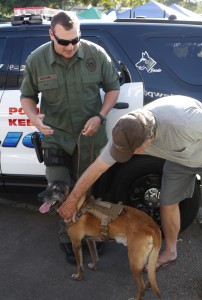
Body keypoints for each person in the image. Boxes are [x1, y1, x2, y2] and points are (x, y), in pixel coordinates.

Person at [58, 94, 202, 269]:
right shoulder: (126, 130)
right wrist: (72, 200)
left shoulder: (186, 121)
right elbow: (97, 168)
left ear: (150, 139)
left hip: (196, 147)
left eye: (133, 151)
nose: (129, 154)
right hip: (179, 160)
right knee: (167, 201)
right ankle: (171, 252)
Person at [20, 12, 120, 264]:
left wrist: (100, 116)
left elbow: (113, 88)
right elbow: (27, 95)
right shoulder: (37, 59)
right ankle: (69, 239)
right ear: (51, 34)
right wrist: (34, 117)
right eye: (64, 42)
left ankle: (92, 235)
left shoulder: (95, 54)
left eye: (75, 40)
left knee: (87, 190)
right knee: (58, 189)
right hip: (56, 136)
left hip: (89, 139)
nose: (70, 47)